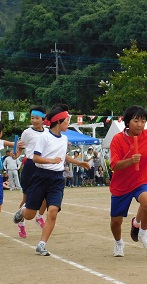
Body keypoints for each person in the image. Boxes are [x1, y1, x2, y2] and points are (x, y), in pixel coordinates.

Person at [12, 104, 90, 255]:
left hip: (57, 179)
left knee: (53, 211)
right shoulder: (44, 137)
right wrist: (51, 161)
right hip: (41, 176)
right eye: (67, 121)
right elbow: (36, 158)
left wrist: (79, 162)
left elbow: (62, 155)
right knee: (29, 215)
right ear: (59, 122)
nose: (68, 124)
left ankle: (42, 244)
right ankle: (23, 210)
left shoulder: (64, 138)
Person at [109, 105, 147, 257]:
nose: (140, 125)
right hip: (121, 184)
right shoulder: (117, 140)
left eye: (143, 121)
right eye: (136, 121)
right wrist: (131, 161)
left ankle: (143, 232)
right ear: (128, 122)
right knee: (116, 221)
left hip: (143, 179)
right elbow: (114, 166)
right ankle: (118, 243)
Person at [16, 105, 49, 238]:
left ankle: (39, 216)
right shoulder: (27, 132)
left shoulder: (48, 132)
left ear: (43, 119)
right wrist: (16, 152)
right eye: (32, 118)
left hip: (43, 165)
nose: (34, 121)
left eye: (37, 118)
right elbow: (20, 149)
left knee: (46, 195)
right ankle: (21, 224)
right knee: (27, 198)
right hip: (30, 165)